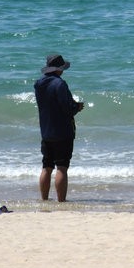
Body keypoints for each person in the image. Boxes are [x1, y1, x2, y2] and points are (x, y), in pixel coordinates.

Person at [33, 53, 84, 202]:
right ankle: (61, 201)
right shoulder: (60, 84)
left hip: (46, 131)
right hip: (62, 131)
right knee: (62, 167)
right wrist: (77, 107)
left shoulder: (38, 84)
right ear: (59, 69)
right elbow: (67, 109)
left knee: (46, 167)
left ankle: (44, 199)